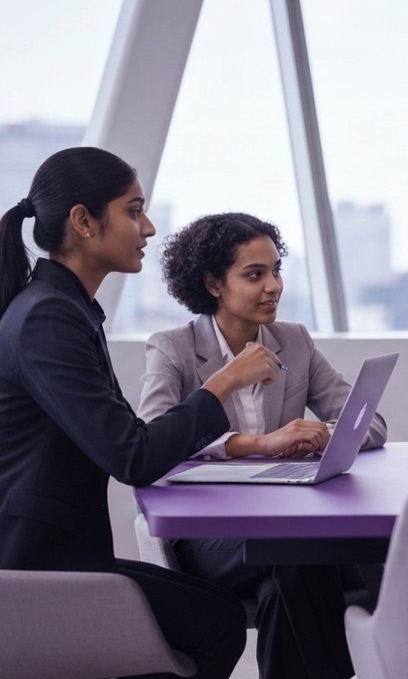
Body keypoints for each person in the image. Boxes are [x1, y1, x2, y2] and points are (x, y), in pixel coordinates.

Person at [0, 147, 278, 679]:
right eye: (133, 210)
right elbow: (133, 457)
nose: (147, 227)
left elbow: (127, 439)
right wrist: (223, 384)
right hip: (19, 564)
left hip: (43, 552)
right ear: (83, 222)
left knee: (215, 608)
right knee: (215, 623)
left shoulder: (64, 308)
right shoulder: (48, 318)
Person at [138, 212, 385, 679]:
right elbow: (153, 436)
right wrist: (258, 444)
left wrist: (323, 436)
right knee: (319, 559)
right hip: (209, 533)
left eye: (276, 271)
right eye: (255, 274)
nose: (273, 286)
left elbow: (370, 423)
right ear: (213, 283)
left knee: (292, 577)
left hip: (282, 523)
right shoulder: (173, 348)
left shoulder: (293, 342)